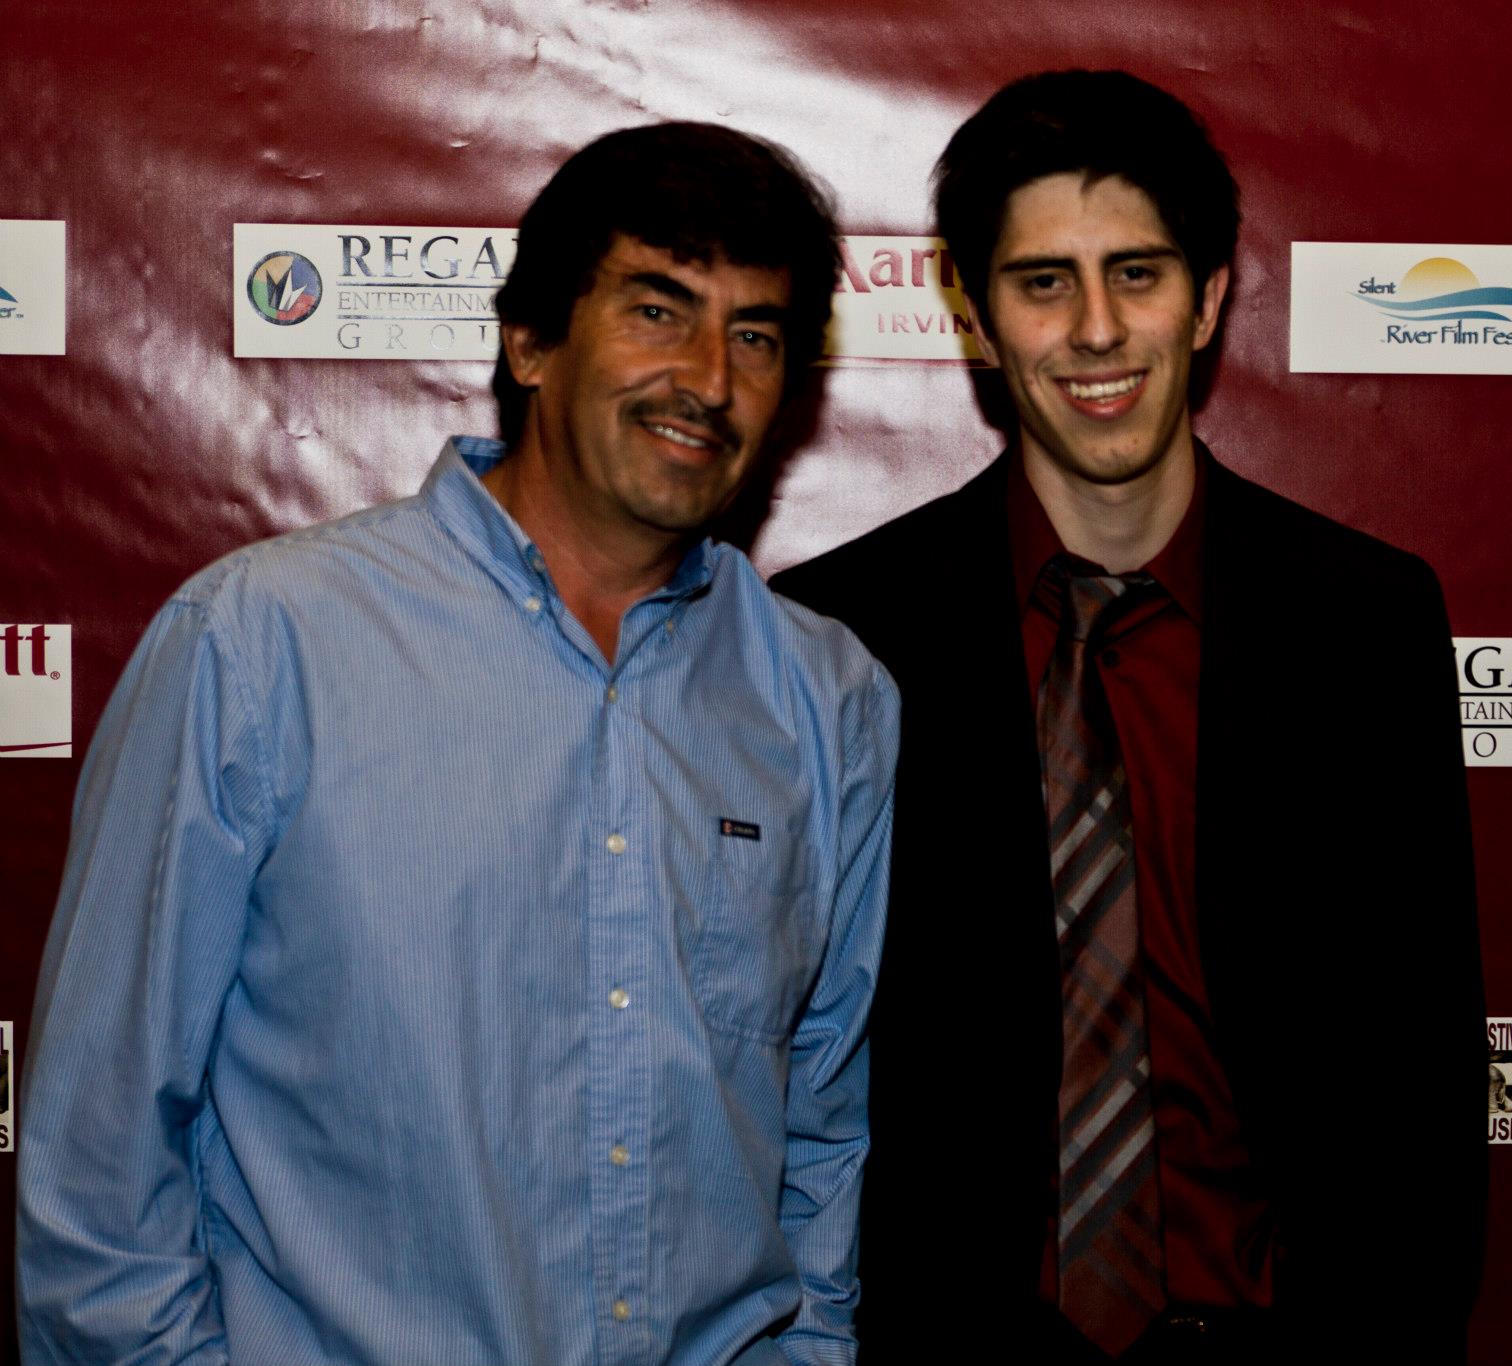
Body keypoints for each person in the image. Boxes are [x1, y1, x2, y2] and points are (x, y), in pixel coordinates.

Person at [17, 123, 897, 1366]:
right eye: (659, 309)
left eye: (755, 335)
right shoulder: (262, 646)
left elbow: (822, 1126)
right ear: (529, 339)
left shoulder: (831, 699)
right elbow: (101, 1157)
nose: (709, 376)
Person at [773, 70, 1484, 1362]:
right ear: (977, 316)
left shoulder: (1363, 619)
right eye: (1044, 282)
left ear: (1210, 296)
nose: (1095, 329)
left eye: (1138, 274)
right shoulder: (840, 630)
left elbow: (1425, 1063)